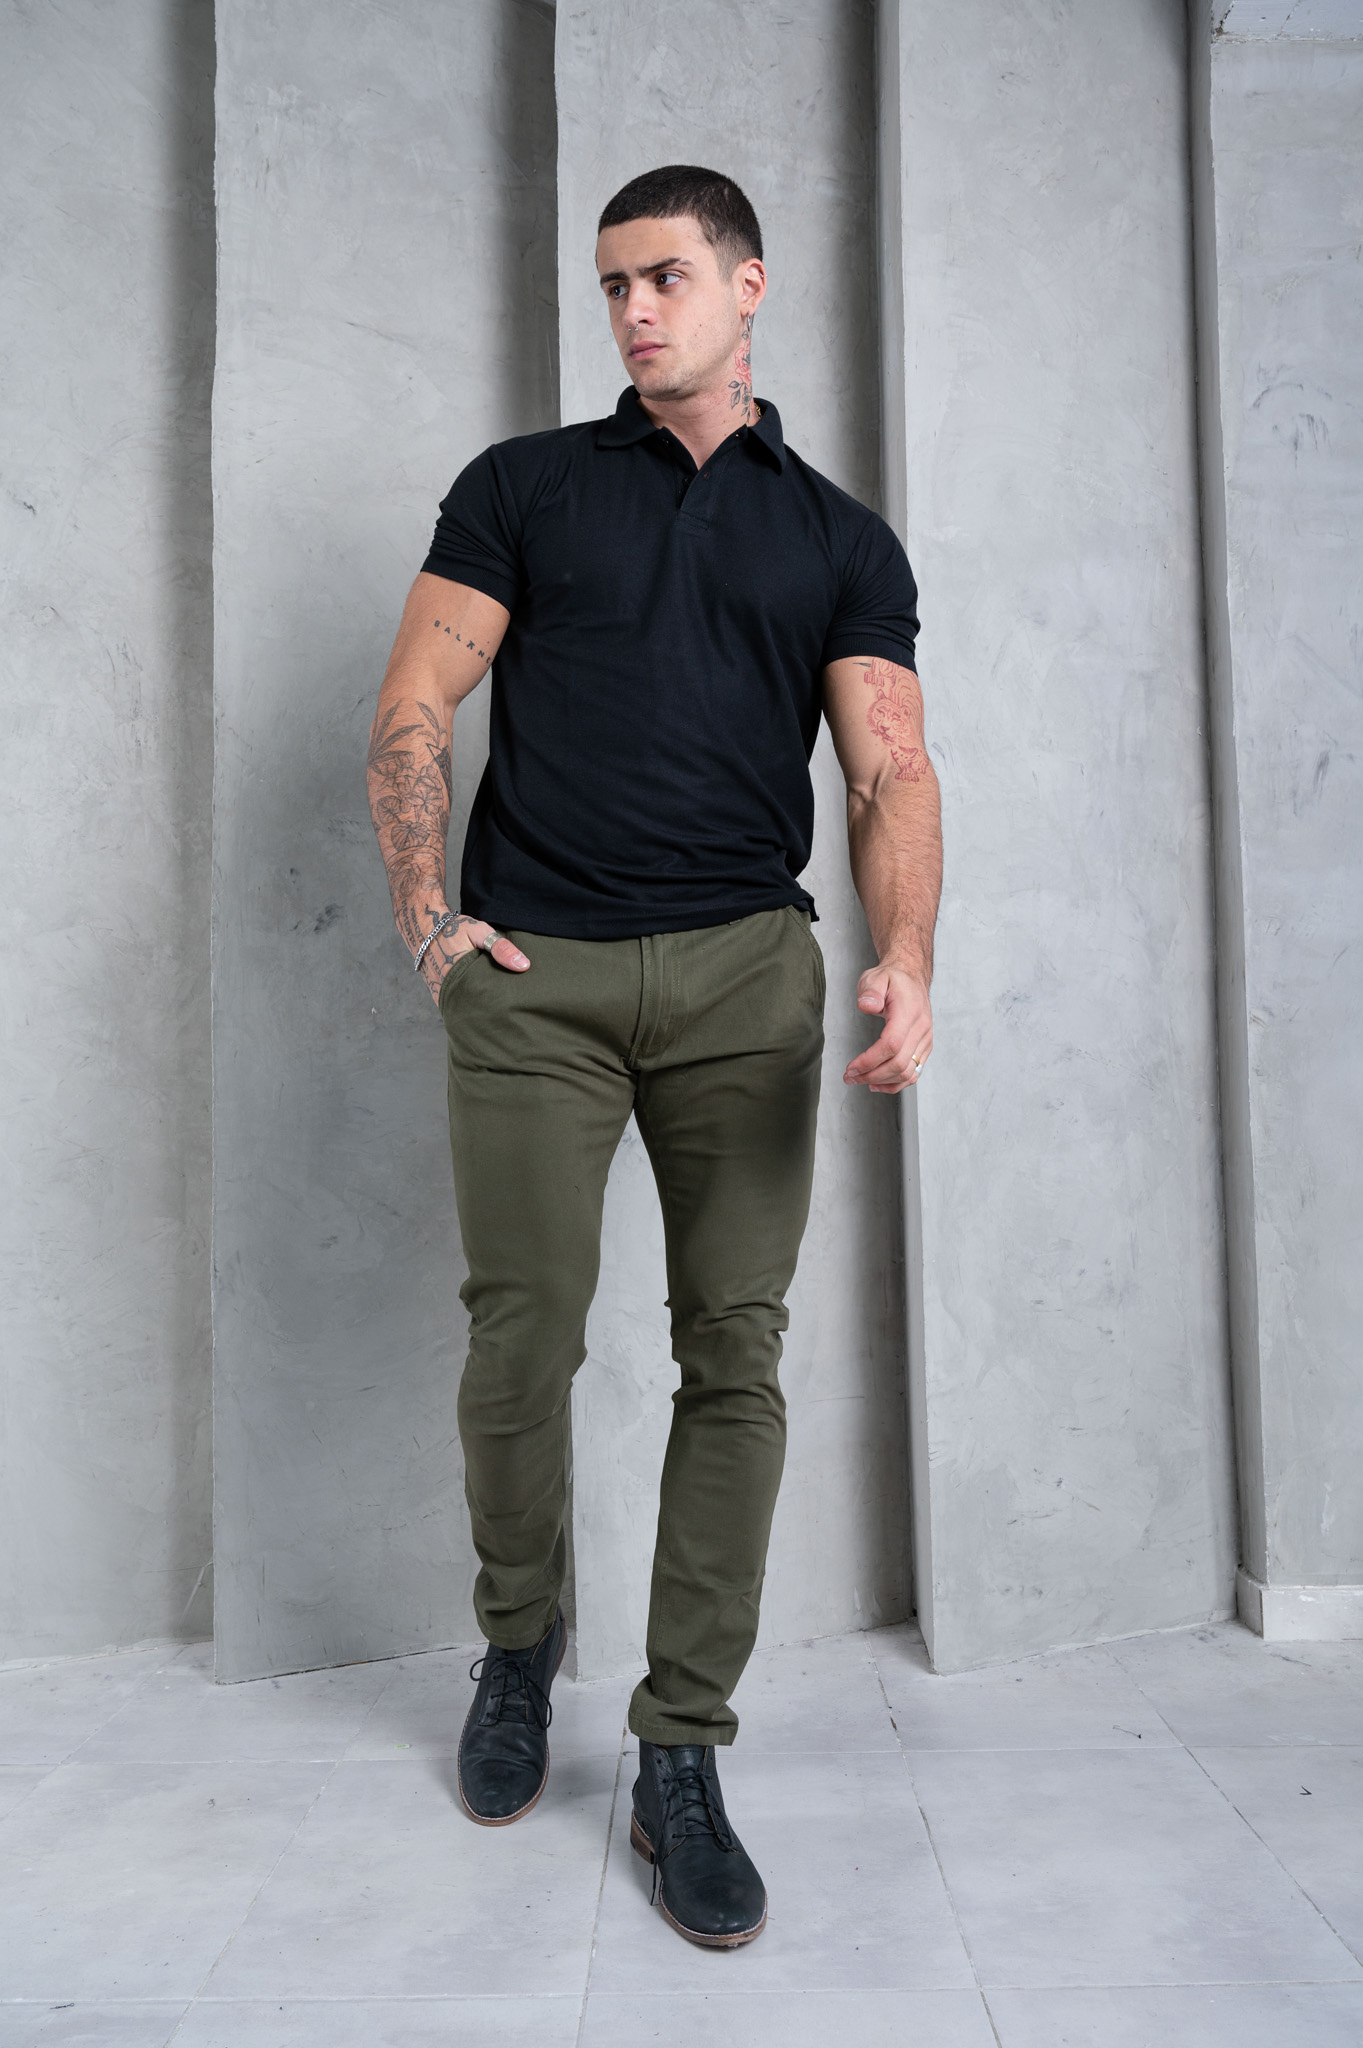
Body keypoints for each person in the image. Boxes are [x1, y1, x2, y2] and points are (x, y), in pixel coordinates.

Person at [367, 163, 941, 1949]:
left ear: (748, 286)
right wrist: (430, 922)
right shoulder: (526, 487)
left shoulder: (839, 537)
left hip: (743, 986)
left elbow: (888, 769)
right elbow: (414, 705)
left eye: (667, 277)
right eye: (613, 283)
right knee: (519, 1340)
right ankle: (518, 1641)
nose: (632, 309)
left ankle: (681, 1744)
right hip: (534, 984)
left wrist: (908, 955)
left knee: (734, 1354)